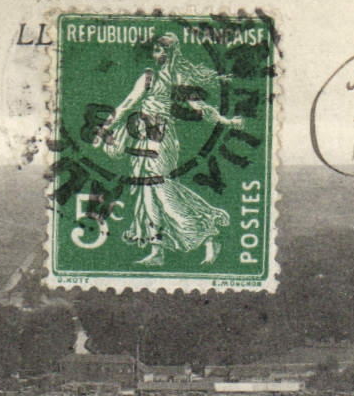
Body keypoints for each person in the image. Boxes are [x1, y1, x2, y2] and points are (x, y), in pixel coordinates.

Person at [94, 33, 243, 266]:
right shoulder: (149, 77)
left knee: (161, 188)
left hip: (162, 138)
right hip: (142, 136)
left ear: (170, 53)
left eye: (159, 50)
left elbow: (200, 107)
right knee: (147, 192)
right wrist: (105, 128)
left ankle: (207, 231)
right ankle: (157, 250)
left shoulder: (177, 77)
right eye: (154, 50)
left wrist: (226, 121)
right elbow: (127, 105)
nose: (155, 55)